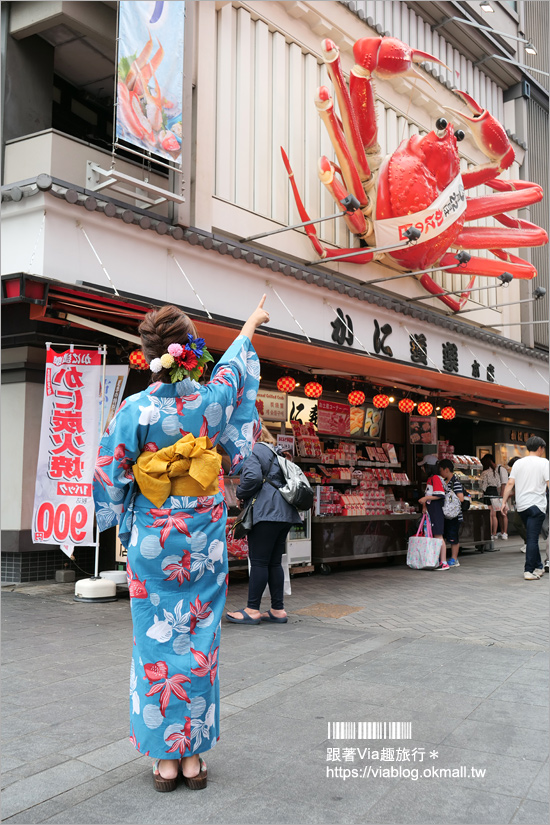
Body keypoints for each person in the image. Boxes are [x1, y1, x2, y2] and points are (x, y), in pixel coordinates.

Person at [92, 297, 269, 791]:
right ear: (191, 349)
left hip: (155, 537)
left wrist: (124, 510)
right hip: (204, 537)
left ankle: (164, 760)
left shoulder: (135, 407)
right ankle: (192, 759)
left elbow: (110, 472)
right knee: (202, 638)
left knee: (152, 641)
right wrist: (249, 323)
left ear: (148, 355)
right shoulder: (211, 400)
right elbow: (235, 368)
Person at [226, 424, 302, 624]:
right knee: (274, 562)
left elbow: (252, 477)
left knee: (259, 561)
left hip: (266, 512)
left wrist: (240, 494)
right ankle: (278, 609)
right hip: (285, 513)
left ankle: (252, 610)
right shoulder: (277, 453)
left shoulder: (253, 451)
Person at [501, 436, 550, 581]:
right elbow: (548, 483)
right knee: (532, 539)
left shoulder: (518, 463)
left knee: (531, 536)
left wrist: (503, 502)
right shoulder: (544, 462)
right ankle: (528, 570)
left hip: (522, 506)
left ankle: (538, 567)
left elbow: (510, 484)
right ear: (540, 448)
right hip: (537, 506)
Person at [418, 457, 448, 569]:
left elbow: (440, 495)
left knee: (438, 536)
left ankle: (443, 562)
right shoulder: (432, 479)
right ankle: (440, 561)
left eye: (424, 466)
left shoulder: (434, 478)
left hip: (436, 510)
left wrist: (425, 499)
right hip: (432, 510)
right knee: (436, 536)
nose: (422, 468)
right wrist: (425, 505)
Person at [438, 459, 465, 567]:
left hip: (454, 516)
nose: (440, 473)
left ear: (446, 470)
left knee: (453, 537)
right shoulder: (444, 482)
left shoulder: (456, 483)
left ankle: (454, 559)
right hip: (446, 515)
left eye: (441, 470)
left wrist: (450, 496)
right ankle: (444, 558)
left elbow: (461, 498)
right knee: (445, 536)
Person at [480, 454, 509, 540]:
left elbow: (483, 486)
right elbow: (499, 485)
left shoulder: (485, 473)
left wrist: (481, 492)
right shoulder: (495, 472)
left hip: (488, 493)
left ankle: (489, 533)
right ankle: (494, 533)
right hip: (495, 493)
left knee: (490, 515)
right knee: (495, 515)